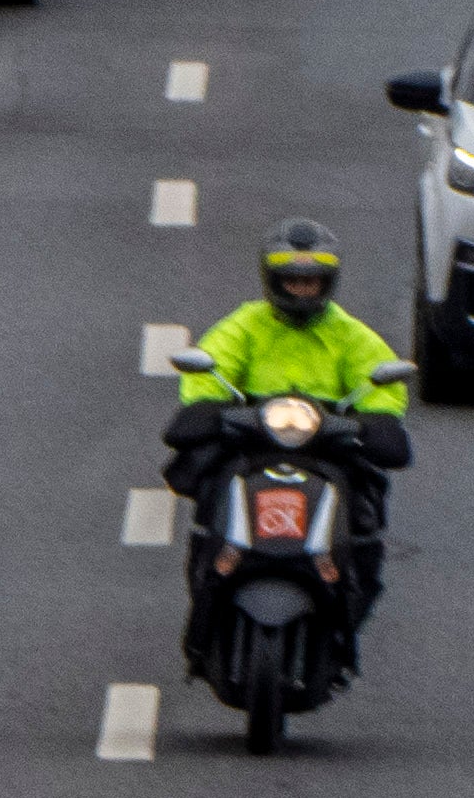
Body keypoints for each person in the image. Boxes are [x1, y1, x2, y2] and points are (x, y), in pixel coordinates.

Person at [170, 216, 414, 595]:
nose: (302, 289)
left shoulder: (351, 335)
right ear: (273, 279)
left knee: (366, 498)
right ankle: (208, 580)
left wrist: (376, 420)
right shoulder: (245, 324)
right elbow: (209, 366)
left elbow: (380, 383)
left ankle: (354, 589)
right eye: (293, 280)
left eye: (311, 280)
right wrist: (206, 406)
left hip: (327, 445)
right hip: (253, 440)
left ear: (327, 282)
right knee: (206, 476)